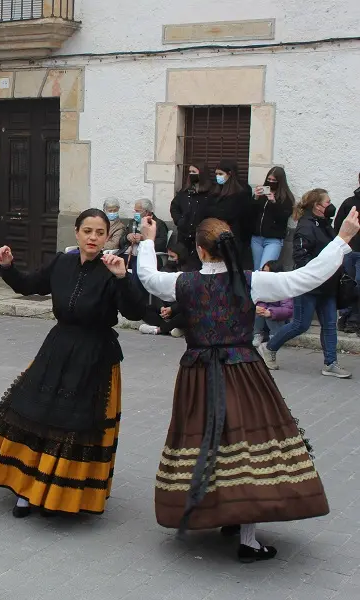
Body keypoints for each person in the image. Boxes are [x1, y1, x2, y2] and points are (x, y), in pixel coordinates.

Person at [137, 209, 359, 562]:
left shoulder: (182, 282)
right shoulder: (251, 280)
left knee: (206, 442)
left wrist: (149, 242)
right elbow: (305, 278)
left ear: (202, 250)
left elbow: (148, 277)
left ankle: (231, 520)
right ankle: (246, 536)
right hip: (243, 372)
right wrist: (342, 239)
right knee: (248, 444)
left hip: (198, 374)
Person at [0, 209, 145, 517]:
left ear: (106, 238)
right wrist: (7, 266)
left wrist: (122, 277)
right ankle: (25, 488)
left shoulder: (113, 269)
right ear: (76, 232)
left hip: (95, 355)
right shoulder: (61, 262)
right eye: (87, 231)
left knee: (75, 424)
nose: (92, 238)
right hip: (58, 347)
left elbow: (134, 312)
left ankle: (62, 491)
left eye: (99, 233)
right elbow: (28, 285)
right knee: (35, 413)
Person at [260, 189, 351, 378]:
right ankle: (269, 347)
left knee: (329, 324)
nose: (330, 206)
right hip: (308, 284)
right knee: (300, 324)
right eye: (327, 202)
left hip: (328, 284)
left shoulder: (325, 224)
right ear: (317, 206)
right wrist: (318, 271)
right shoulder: (306, 226)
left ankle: (330, 363)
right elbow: (300, 256)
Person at [205, 159, 252, 268]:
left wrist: (216, 212)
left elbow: (231, 213)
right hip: (214, 235)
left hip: (233, 236)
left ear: (230, 174)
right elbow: (206, 209)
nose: (218, 177)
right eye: (216, 174)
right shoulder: (215, 190)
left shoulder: (241, 191)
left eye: (221, 174)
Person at [139, 241, 188, 337]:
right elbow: (156, 292)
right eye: (168, 256)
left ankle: (160, 329)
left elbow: (188, 298)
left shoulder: (187, 273)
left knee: (186, 313)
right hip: (164, 308)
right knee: (145, 309)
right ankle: (169, 328)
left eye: (172, 257)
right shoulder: (165, 270)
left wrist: (172, 309)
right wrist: (161, 307)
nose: (169, 259)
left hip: (177, 308)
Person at [250, 167, 295, 271]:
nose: (270, 182)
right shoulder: (262, 195)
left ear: (280, 181)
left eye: (274, 180)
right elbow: (251, 213)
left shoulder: (286, 197)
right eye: (269, 180)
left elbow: (283, 218)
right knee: (257, 270)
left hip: (273, 240)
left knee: (265, 270)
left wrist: (274, 202)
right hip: (257, 238)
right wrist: (255, 198)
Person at [170, 163, 213, 270]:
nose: (191, 174)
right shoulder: (185, 191)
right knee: (182, 263)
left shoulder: (210, 192)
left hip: (200, 236)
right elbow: (174, 207)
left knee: (198, 265)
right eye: (189, 172)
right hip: (184, 234)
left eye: (194, 172)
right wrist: (179, 220)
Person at [334, 172, 360, 333]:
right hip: (349, 250)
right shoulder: (350, 203)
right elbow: (338, 227)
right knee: (347, 285)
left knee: (358, 284)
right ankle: (347, 316)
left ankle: (353, 317)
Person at [252, 260, 293, 346]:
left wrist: (270, 312)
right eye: (262, 271)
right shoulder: (260, 285)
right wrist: (257, 308)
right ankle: (257, 334)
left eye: (265, 272)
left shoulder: (283, 288)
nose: (262, 274)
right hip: (262, 322)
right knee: (257, 311)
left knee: (270, 312)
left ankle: (275, 337)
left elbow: (288, 310)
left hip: (278, 321)